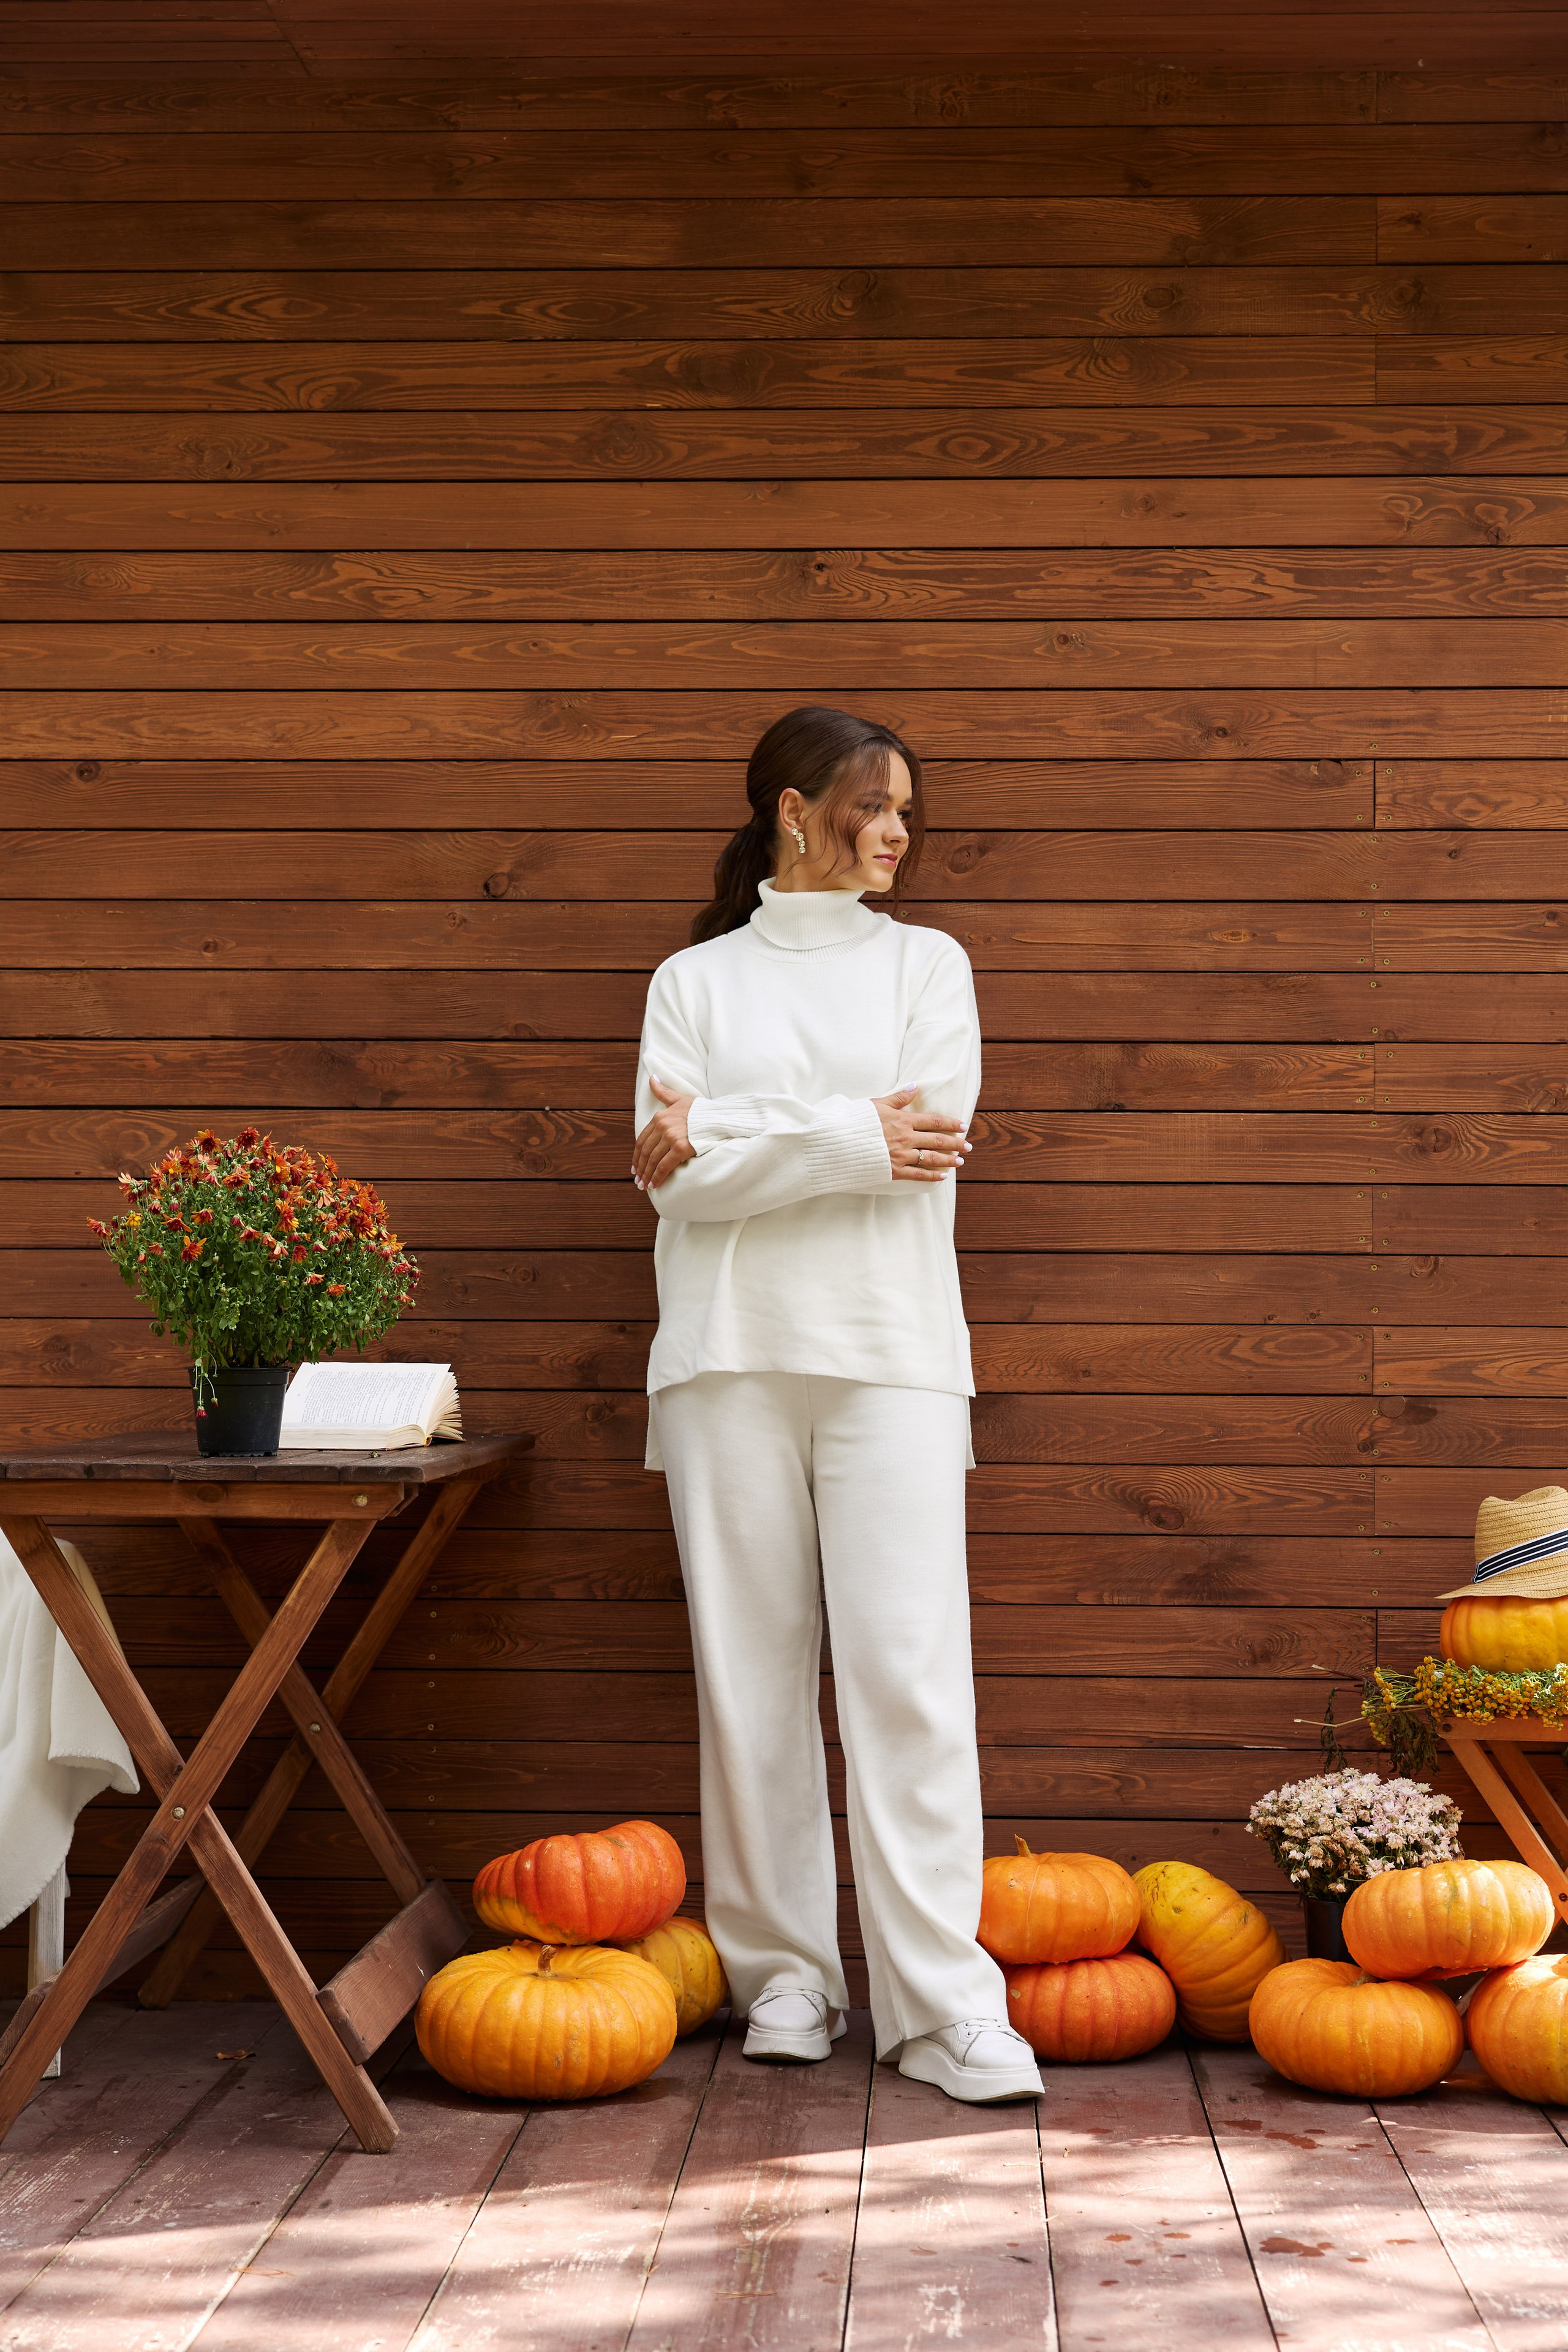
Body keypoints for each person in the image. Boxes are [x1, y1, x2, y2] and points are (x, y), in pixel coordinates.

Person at [630, 704, 1043, 2105]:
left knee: (909, 1679)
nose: (896, 832)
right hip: (724, 1358)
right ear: (790, 812)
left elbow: (923, 1146)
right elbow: (672, 1182)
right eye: (873, 805)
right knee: (746, 1682)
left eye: (906, 810)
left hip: (892, 1356)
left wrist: (745, 1132)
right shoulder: (693, 984)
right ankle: (784, 1978)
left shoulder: (928, 966)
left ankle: (940, 2008)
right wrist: (839, 1134)